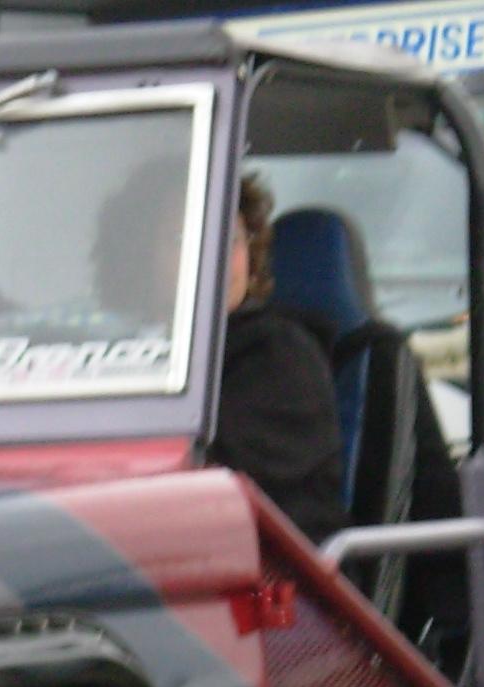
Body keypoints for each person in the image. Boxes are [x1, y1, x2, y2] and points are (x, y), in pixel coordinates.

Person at [92, 165, 349, 543]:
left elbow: (206, 482)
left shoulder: (281, 354)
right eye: (181, 238)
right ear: (140, 257)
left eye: (231, 240)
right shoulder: (110, 349)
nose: (213, 256)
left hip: (265, 570)